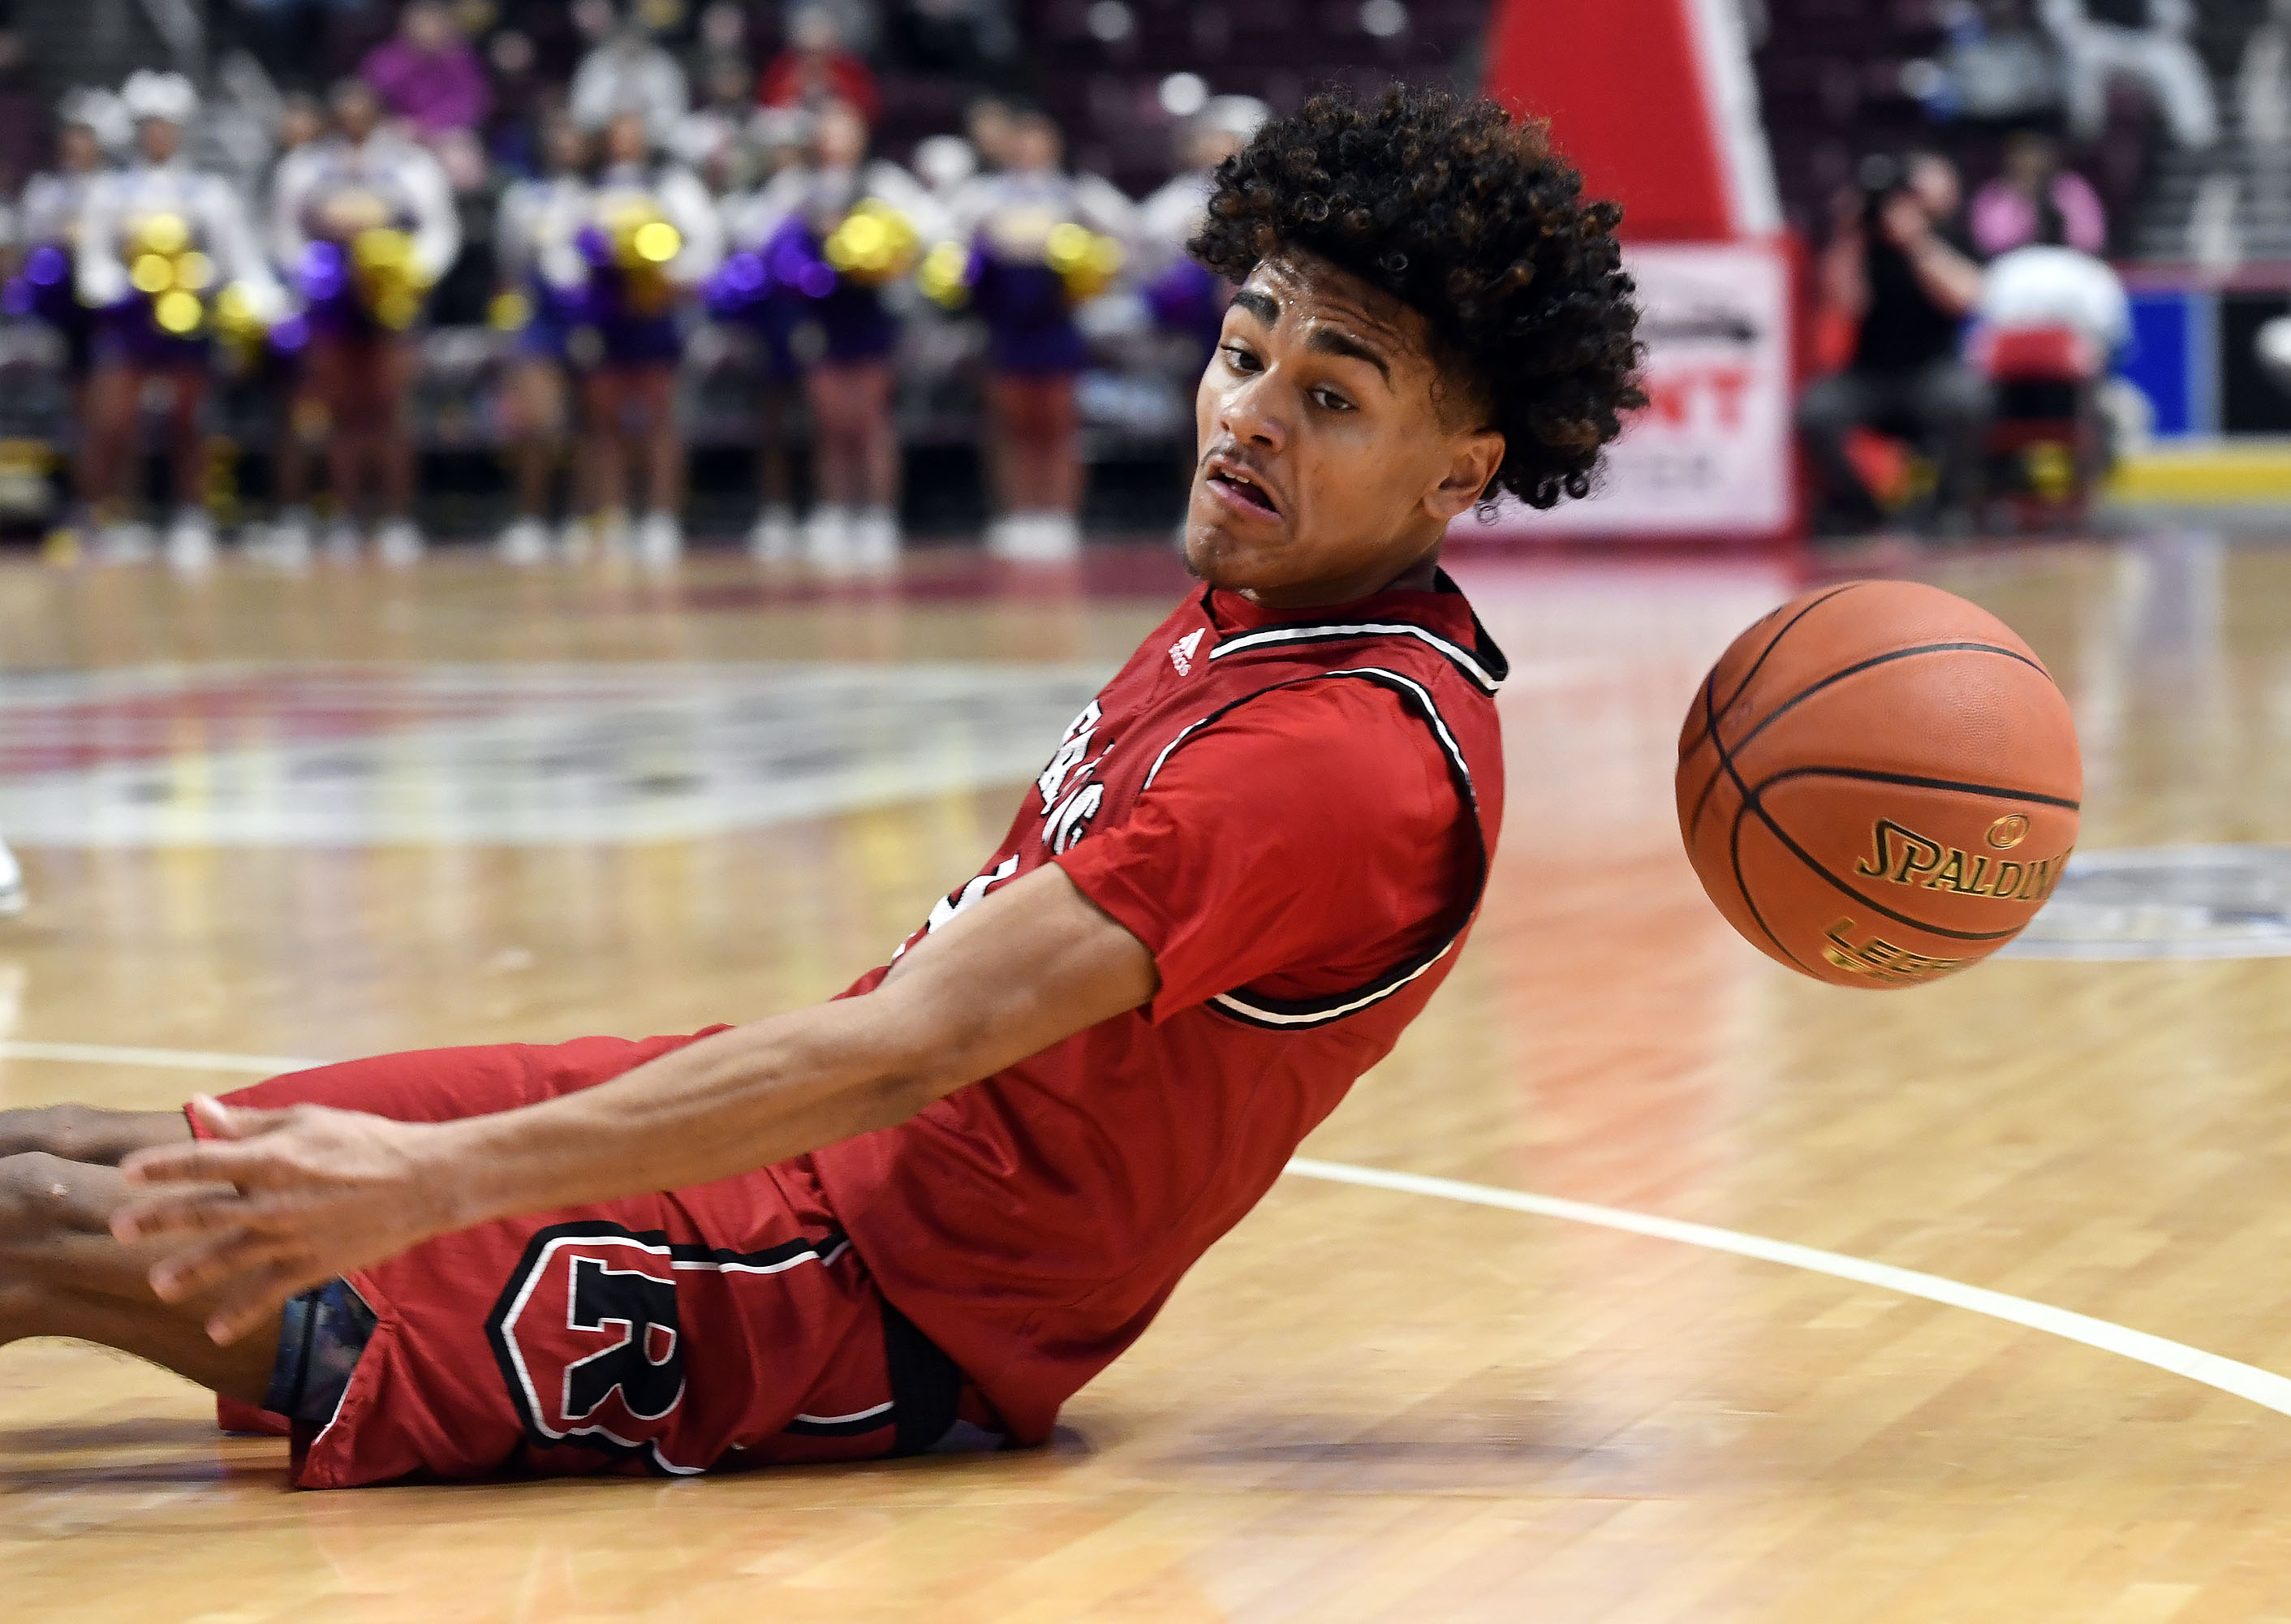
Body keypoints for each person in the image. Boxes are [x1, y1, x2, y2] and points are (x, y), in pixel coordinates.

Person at [0, 87, 1644, 1491]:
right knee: (70, 1147)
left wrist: (435, 1181)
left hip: (868, 1294)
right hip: (803, 1143)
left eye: (1329, 397)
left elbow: (908, 1045)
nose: (1247, 419)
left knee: (48, 1231)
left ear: (1460, 471)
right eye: (1241, 353)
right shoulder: (1274, 597)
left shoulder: (1336, 761)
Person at [722, 97, 943, 570]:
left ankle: (878, 516)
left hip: (869, 310)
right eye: (828, 131)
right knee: (828, 420)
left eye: (846, 130)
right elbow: (751, 233)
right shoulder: (798, 185)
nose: (836, 141)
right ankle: (836, 512)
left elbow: (930, 230)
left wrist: (888, 254)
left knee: (871, 419)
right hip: (818, 312)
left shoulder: (882, 181)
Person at [77, 71, 282, 568]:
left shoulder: (208, 192)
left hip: (190, 319)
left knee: (190, 421)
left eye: (166, 126)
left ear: (181, 131)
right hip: (130, 318)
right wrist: (120, 286)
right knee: (118, 421)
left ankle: (192, 516)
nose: (158, 135)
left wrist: (212, 283)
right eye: (150, 126)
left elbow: (236, 255)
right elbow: (94, 257)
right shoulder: (111, 191)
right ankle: (118, 516)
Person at [271, 78, 459, 563]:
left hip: (390, 297)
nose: (354, 119)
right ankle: (345, 516)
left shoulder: (411, 165)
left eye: (362, 109)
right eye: (345, 110)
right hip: (331, 296)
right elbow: (285, 232)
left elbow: (440, 229)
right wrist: (311, 274)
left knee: (391, 406)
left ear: (378, 113)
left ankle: (396, 518)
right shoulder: (306, 166)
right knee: (336, 408)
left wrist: (411, 275)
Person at [946, 108, 1137, 562]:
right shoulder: (985, 197)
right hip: (1007, 323)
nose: (1029, 151)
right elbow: (948, 239)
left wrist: (1095, 279)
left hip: (1056, 321)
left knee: (1058, 424)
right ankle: (1017, 515)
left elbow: (1128, 233)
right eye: (1022, 143)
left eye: (1038, 142)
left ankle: (1059, 516)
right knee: (1010, 424)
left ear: (1054, 147)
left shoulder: (1075, 195)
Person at [558, 109, 722, 566]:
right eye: (617, 133)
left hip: (655, 315)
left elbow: (705, 242)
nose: (625, 142)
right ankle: (612, 516)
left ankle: (661, 519)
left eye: (633, 133)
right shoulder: (587, 191)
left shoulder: (671, 187)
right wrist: (579, 291)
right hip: (605, 317)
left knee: (659, 419)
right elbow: (563, 251)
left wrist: (672, 279)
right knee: (602, 422)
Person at [1798, 153, 1992, 536]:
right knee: (1816, 411)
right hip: (1870, 375)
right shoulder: (1861, 245)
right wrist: (1849, 234)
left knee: (1969, 400)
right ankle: (1864, 512)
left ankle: (1946, 509)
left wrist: (1915, 243)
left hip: (1931, 372)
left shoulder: (1944, 237)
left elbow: (1967, 297)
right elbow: (1845, 304)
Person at [9, 89, 119, 549]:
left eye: (86, 138)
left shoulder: (116, 190)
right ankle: (65, 506)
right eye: (72, 138)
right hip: (58, 311)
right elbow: (28, 247)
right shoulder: (45, 192)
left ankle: (104, 506)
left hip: (105, 313)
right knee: (63, 416)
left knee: (105, 416)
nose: (78, 147)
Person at [491, 114, 592, 564]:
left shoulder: (599, 195)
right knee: (538, 424)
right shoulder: (522, 198)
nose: (564, 147)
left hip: (596, 315)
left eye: (573, 140)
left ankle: (581, 518)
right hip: (540, 316)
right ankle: (530, 518)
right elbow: (509, 261)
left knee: (589, 424)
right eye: (557, 139)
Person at [2039, 0, 2220, 149]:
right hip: (2098, 38)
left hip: (2145, 41)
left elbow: (2177, 16)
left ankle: (2198, 139)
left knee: (2178, 60)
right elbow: (2061, 19)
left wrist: (2161, 31)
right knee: (2082, 58)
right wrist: (2083, 33)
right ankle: (2086, 133)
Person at [360, 1, 492, 141]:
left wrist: (425, 125)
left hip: (447, 132)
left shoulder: (459, 58)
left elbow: (471, 102)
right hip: (393, 130)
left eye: (434, 25)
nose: (428, 31)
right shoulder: (383, 61)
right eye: (421, 25)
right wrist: (395, 123)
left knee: (459, 153)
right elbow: (369, 101)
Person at [1971, 129, 2108, 256]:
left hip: (2068, 264)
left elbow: (2092, 240)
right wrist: (2025, 203)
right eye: (2023, 152)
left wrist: (2052, 208)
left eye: (2037, 152)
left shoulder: (2072, 188)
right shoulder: (1994, 193)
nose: (2031, 160)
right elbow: (1991, 242)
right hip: (2012, 265)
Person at [569, 6, 689, 151]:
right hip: (602, 140)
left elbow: (673, 113)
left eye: (635, 37)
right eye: (625, 37)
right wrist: (615, 124)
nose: (630, 42)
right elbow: (582, 110)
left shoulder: (663, 66)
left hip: (653, 142)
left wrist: (638, 129)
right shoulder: (597, 63)